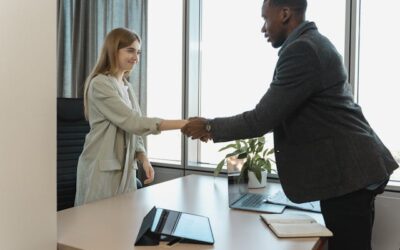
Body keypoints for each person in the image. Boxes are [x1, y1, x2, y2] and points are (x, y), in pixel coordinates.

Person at [181, 1, 399, 249]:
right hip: (353, 171)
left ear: (284, 14)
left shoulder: (303, 50)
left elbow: (262, 118)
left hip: (350, 174)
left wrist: (209, 127)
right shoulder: (313, 43)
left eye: (266, 19)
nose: (264, 28)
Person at [75, 28, 187, 206]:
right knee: (97, 226)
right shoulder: (100, 84)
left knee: (123, 224)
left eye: (138, 52)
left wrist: (143, 158)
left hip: (126, 169)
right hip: (101, 169)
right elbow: (134, 123)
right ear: (113, 50)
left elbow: (133, 129)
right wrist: (185, 124)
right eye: (130, 50)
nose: (136, 57)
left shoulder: (127, 86)